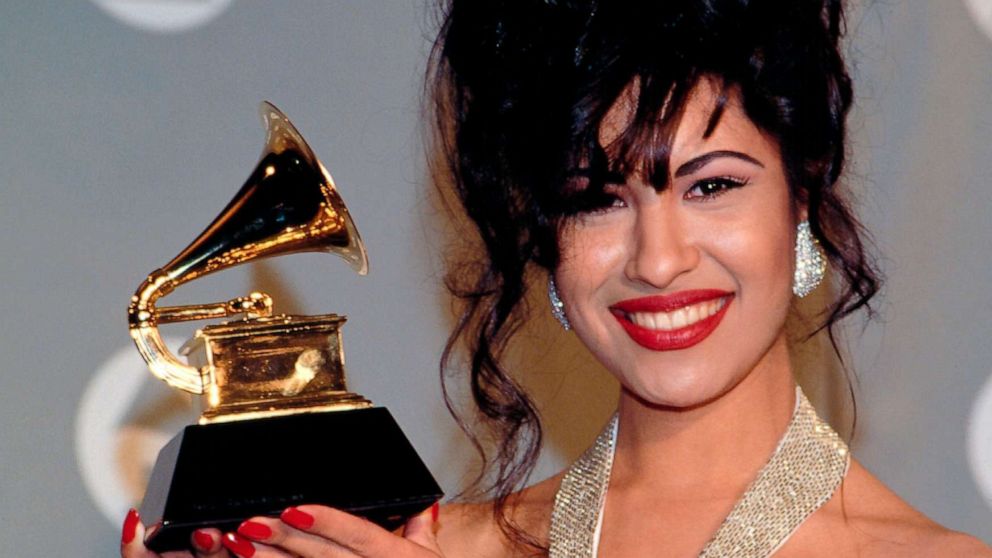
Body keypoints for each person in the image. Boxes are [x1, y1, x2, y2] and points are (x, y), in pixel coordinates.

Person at [121, 1, 992, 556]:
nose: (659, 259)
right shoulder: (433, 551)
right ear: (542, 236)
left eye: (713, 185)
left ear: (801, 197)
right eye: (596, 201)